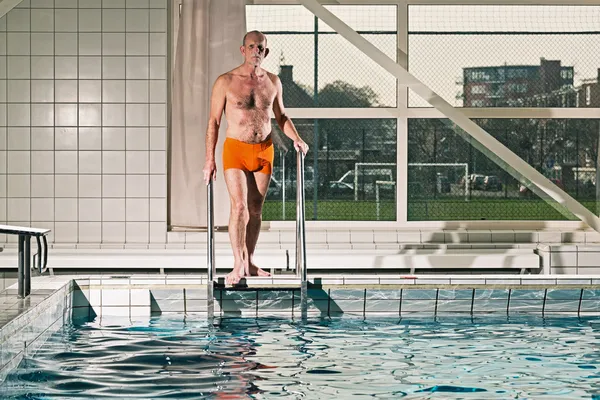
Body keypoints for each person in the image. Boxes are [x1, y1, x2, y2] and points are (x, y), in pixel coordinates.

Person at [202, 30, 309, 286]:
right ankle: (237, 263)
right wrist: (210, 159)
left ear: (266, 52)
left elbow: (281, 116)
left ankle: (249, 260)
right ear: (243, 50)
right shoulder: (225, 81)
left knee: (255, 209)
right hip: (236, 150)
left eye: (260, 48)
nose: (256, 51)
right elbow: (214, 121)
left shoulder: (272, 81)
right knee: (238, 207)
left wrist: (297, 138)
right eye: (251, 47)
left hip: (264, 149)